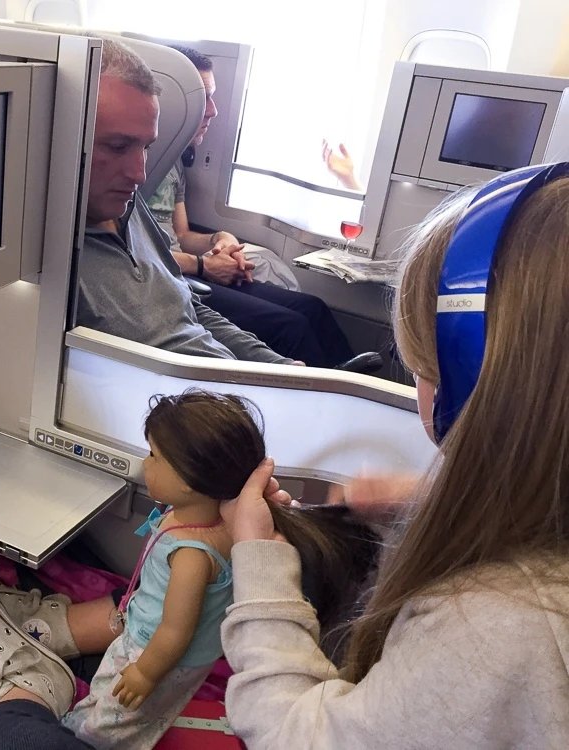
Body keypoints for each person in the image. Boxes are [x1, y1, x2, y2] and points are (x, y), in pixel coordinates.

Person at [218, 167, 569, 747]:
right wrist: (435, 498)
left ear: (475, 384)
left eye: (423, 370)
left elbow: (296, 737)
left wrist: (259, 568)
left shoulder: (496, 628)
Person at [0, 392, 379, 750]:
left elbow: (175, 631)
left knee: (113, 714)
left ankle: (71, 731)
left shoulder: (192, 554)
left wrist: (146, 673)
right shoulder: (194, 519)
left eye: (153, 456)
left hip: (154, 652)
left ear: (193, 478)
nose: (143, 463)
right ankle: (39, 641)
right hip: (139, 627)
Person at [73, 40, 296, 366]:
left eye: (146, 148)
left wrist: (279, 368)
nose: (139, 174)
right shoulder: (58, 257)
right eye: (118, 146)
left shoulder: (130, 206)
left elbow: (189, 308)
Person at [147, 47, 358, 369]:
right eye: (203, 100)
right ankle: (327, 402)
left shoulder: (172, 158)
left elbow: (181, 234)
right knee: (289, 326)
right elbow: (133, 251)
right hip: (169, 276)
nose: (213, 111)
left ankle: (355, 385)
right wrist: (203, 266)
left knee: (312, 308)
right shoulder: (134, 165)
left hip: (188, 265)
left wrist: (221, 241)